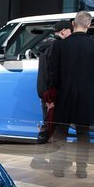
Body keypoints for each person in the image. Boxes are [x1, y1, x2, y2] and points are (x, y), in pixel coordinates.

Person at [48, 11, 94, 178]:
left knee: (61, 132)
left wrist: (53, 94)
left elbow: (53, 73)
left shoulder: (60, 45)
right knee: (83, 134)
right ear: (89, 25)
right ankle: (81, 170)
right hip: (87, 96)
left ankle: (58, 169)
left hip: (64, 95)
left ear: (73, 23)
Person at [30, 20, 73, 169]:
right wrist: (51, 97)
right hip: (52, 95)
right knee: (56, 129)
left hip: (45, 93)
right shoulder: (57, 47)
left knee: (48, 126)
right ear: (64, 31)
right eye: (70, 32)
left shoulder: (45, 46)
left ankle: (39, 159)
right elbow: (53, 74)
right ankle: (54, 161)